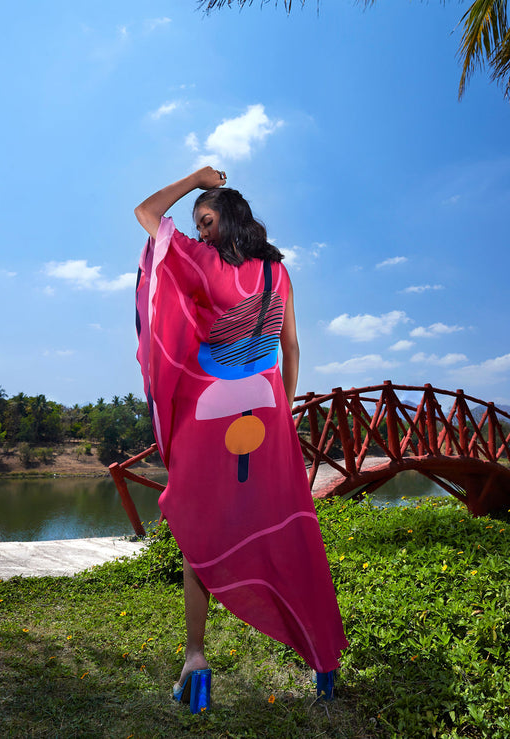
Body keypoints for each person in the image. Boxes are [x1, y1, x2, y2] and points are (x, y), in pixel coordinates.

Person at [134, 166, 347, 712]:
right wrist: (286, 410)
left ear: (228, 218)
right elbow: (292, 347)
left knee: (199, 529)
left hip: (213, 422)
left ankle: (196, 658)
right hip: (269, 413)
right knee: (290, 526)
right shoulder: (279, 273)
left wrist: (194, 177)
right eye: (198, 225)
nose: (201, 233)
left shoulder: (204, 262)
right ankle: (322, 658)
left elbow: (146, 215)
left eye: (206, 221)